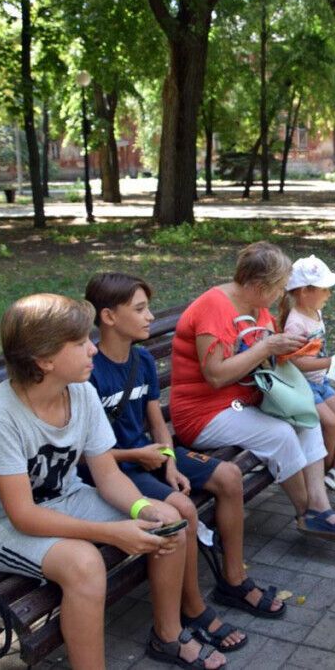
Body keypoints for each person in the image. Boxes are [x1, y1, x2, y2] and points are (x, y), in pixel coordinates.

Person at [0, 294, 226, 669]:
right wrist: (113, 533)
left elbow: (107, 473)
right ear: (45, 360)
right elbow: (22, 516)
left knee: (167, 523)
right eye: (80, 343)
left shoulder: (80, 392)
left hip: (65, 498)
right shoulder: (0, 416)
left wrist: (141, 508)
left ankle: (168, 635)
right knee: (84, 564)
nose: (93, 350)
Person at [84, 274, 284, 648]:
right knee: (183, 508)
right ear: (109, 317)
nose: (150, 317)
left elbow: (157, 421)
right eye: (140, 309)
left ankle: (233, 580)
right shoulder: (88, 373)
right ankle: (193, 608)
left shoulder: (141, 359)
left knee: (228, 476)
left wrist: (169, 462)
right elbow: (85, 454)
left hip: (149, 453)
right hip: (114, 466)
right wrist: (142, 456)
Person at [170, 242, 335, 543]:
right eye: (278, 288)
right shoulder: (214, 308)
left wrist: (289, 344)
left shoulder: (256, 307)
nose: (280, 295)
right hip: (204, 414)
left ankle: (320, 506)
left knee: (305, 416)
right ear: (259, 286)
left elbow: (268, 347)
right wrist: (267, 346)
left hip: (243, 403)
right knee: (281, 433)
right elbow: (216, 376)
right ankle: (306, 513)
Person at [279, 256, 335, 505]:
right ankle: (320, 476)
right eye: (324, 288)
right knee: (330, 422)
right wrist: (334, 362)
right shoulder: (295, 323)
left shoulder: (315, 311)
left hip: (320, 381)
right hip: (303, 385)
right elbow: (295, 362)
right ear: (305, 291)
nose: (329, 293)